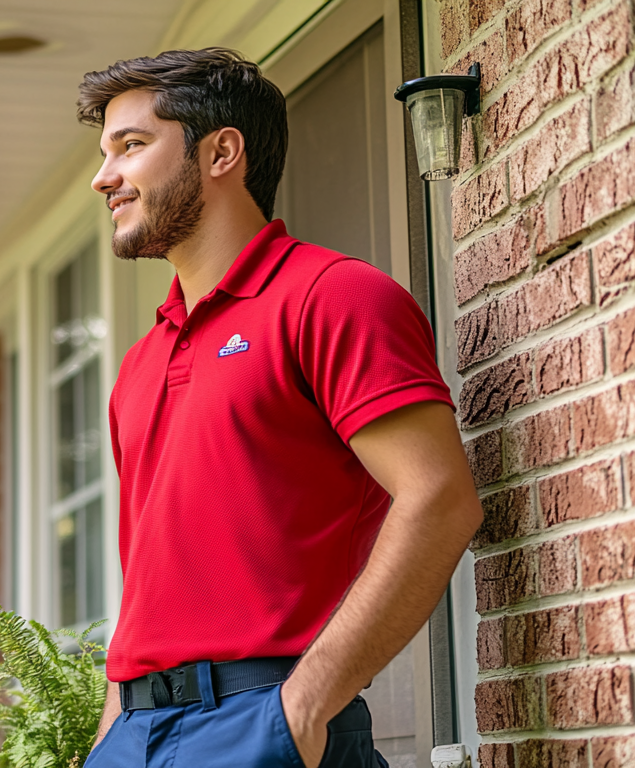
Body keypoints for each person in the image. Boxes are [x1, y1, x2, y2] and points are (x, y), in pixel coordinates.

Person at [76, 48, 484, 768]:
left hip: (262, 721)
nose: (103, 177)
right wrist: (109, 736)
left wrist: (304, 705)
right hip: (134, 734)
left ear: (221, 151)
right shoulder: (138, 366)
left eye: (131, 146)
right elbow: (148, 581)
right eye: (106, 152)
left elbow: (440, 497)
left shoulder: (334, 297)